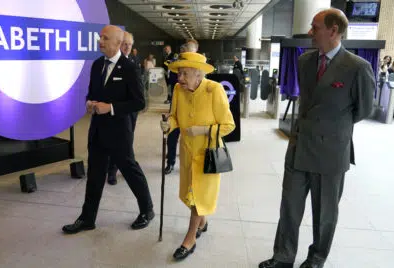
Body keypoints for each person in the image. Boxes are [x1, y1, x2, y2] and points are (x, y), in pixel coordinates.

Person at [259, 8, 375, 268]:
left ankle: (316, 259)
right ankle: (283, 257)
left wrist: (333, 128)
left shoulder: (358, 67)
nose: (310, 32)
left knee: (324, 214)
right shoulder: (305, 61)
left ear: (333, 31)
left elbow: (364, 109)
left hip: (331, 153)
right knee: (289, 208)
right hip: (299, 147)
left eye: (315, 27)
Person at [62, 25, 154, 234]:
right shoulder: (96, 65)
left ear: (118, 43)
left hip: (120, 133)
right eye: (100, 37)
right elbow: (91, 93)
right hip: (97, 131)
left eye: (105, 38)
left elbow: (140, 102)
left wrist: (111, 108)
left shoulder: (129, 67)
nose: (100, 41)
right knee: (94, 175)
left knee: (130, 171)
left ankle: (147, 210)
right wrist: (89, 102)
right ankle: (87, 218)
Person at [160, 52, 235, 260]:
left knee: (198, 197)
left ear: (199, 75)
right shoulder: (177, 89)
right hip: (186, 151)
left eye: (184, 74)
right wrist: (169, 125)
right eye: (178, 73)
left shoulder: (214, 90)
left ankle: (190, 238)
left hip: (207, 155)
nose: (179, 78)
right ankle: (202, 222)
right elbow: (174, 116)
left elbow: (229, 126)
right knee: (189, 194)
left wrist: (202, 130)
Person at [107, 31, 142, 185]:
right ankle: (112, 170)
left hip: (132, 110)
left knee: (128, 139)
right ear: (119, 44)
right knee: (116, 140)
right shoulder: (113, 62)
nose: (127, 47)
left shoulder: (134, 60)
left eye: (130, 44)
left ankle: (128, 164)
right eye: (124, 44)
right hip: (117, 110)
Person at [165, 39, 199, 175]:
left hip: (194, 108)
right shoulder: (177, 64)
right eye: (185, 53)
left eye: (191, 53)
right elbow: (172, 80)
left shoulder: (200, 67)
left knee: (192, 139)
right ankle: (171, 163)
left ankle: (192, 164)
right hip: (178, 104)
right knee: (172, 135)